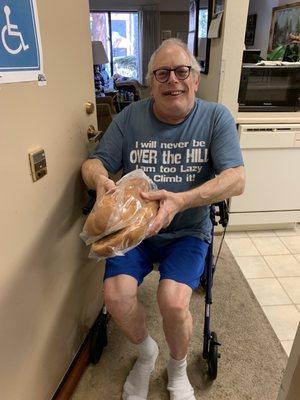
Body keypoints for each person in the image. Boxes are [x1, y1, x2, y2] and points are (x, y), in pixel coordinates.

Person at [81, 38, 245, 400]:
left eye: (182, 71)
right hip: (133, 231)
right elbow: (93, 162)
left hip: (187, 231)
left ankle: (177, 366)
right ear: (150, 82)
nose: (173, 80)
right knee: (115, 296)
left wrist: (181, 201)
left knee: (172, 301)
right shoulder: (128, 118)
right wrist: (100, 180)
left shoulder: (215, 117)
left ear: (195, 79)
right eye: (162, 73)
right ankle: (146, 352)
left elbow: (237, 178)